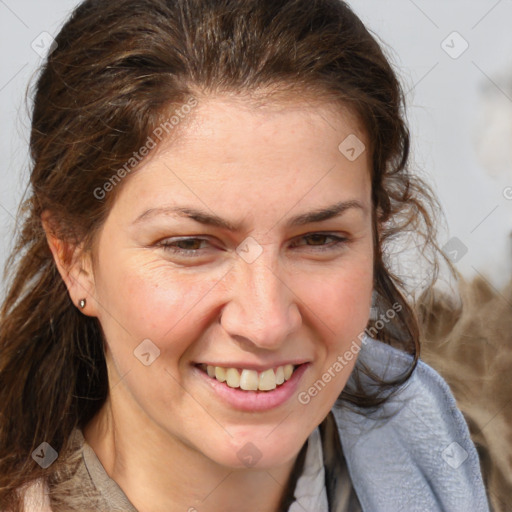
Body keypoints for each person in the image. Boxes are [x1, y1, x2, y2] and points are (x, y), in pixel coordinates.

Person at [0, 0, 490, 511]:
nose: (266, 324)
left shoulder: (446, 460)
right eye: (190, 245)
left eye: (320, 238)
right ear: (74, 259)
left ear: (376, 232)